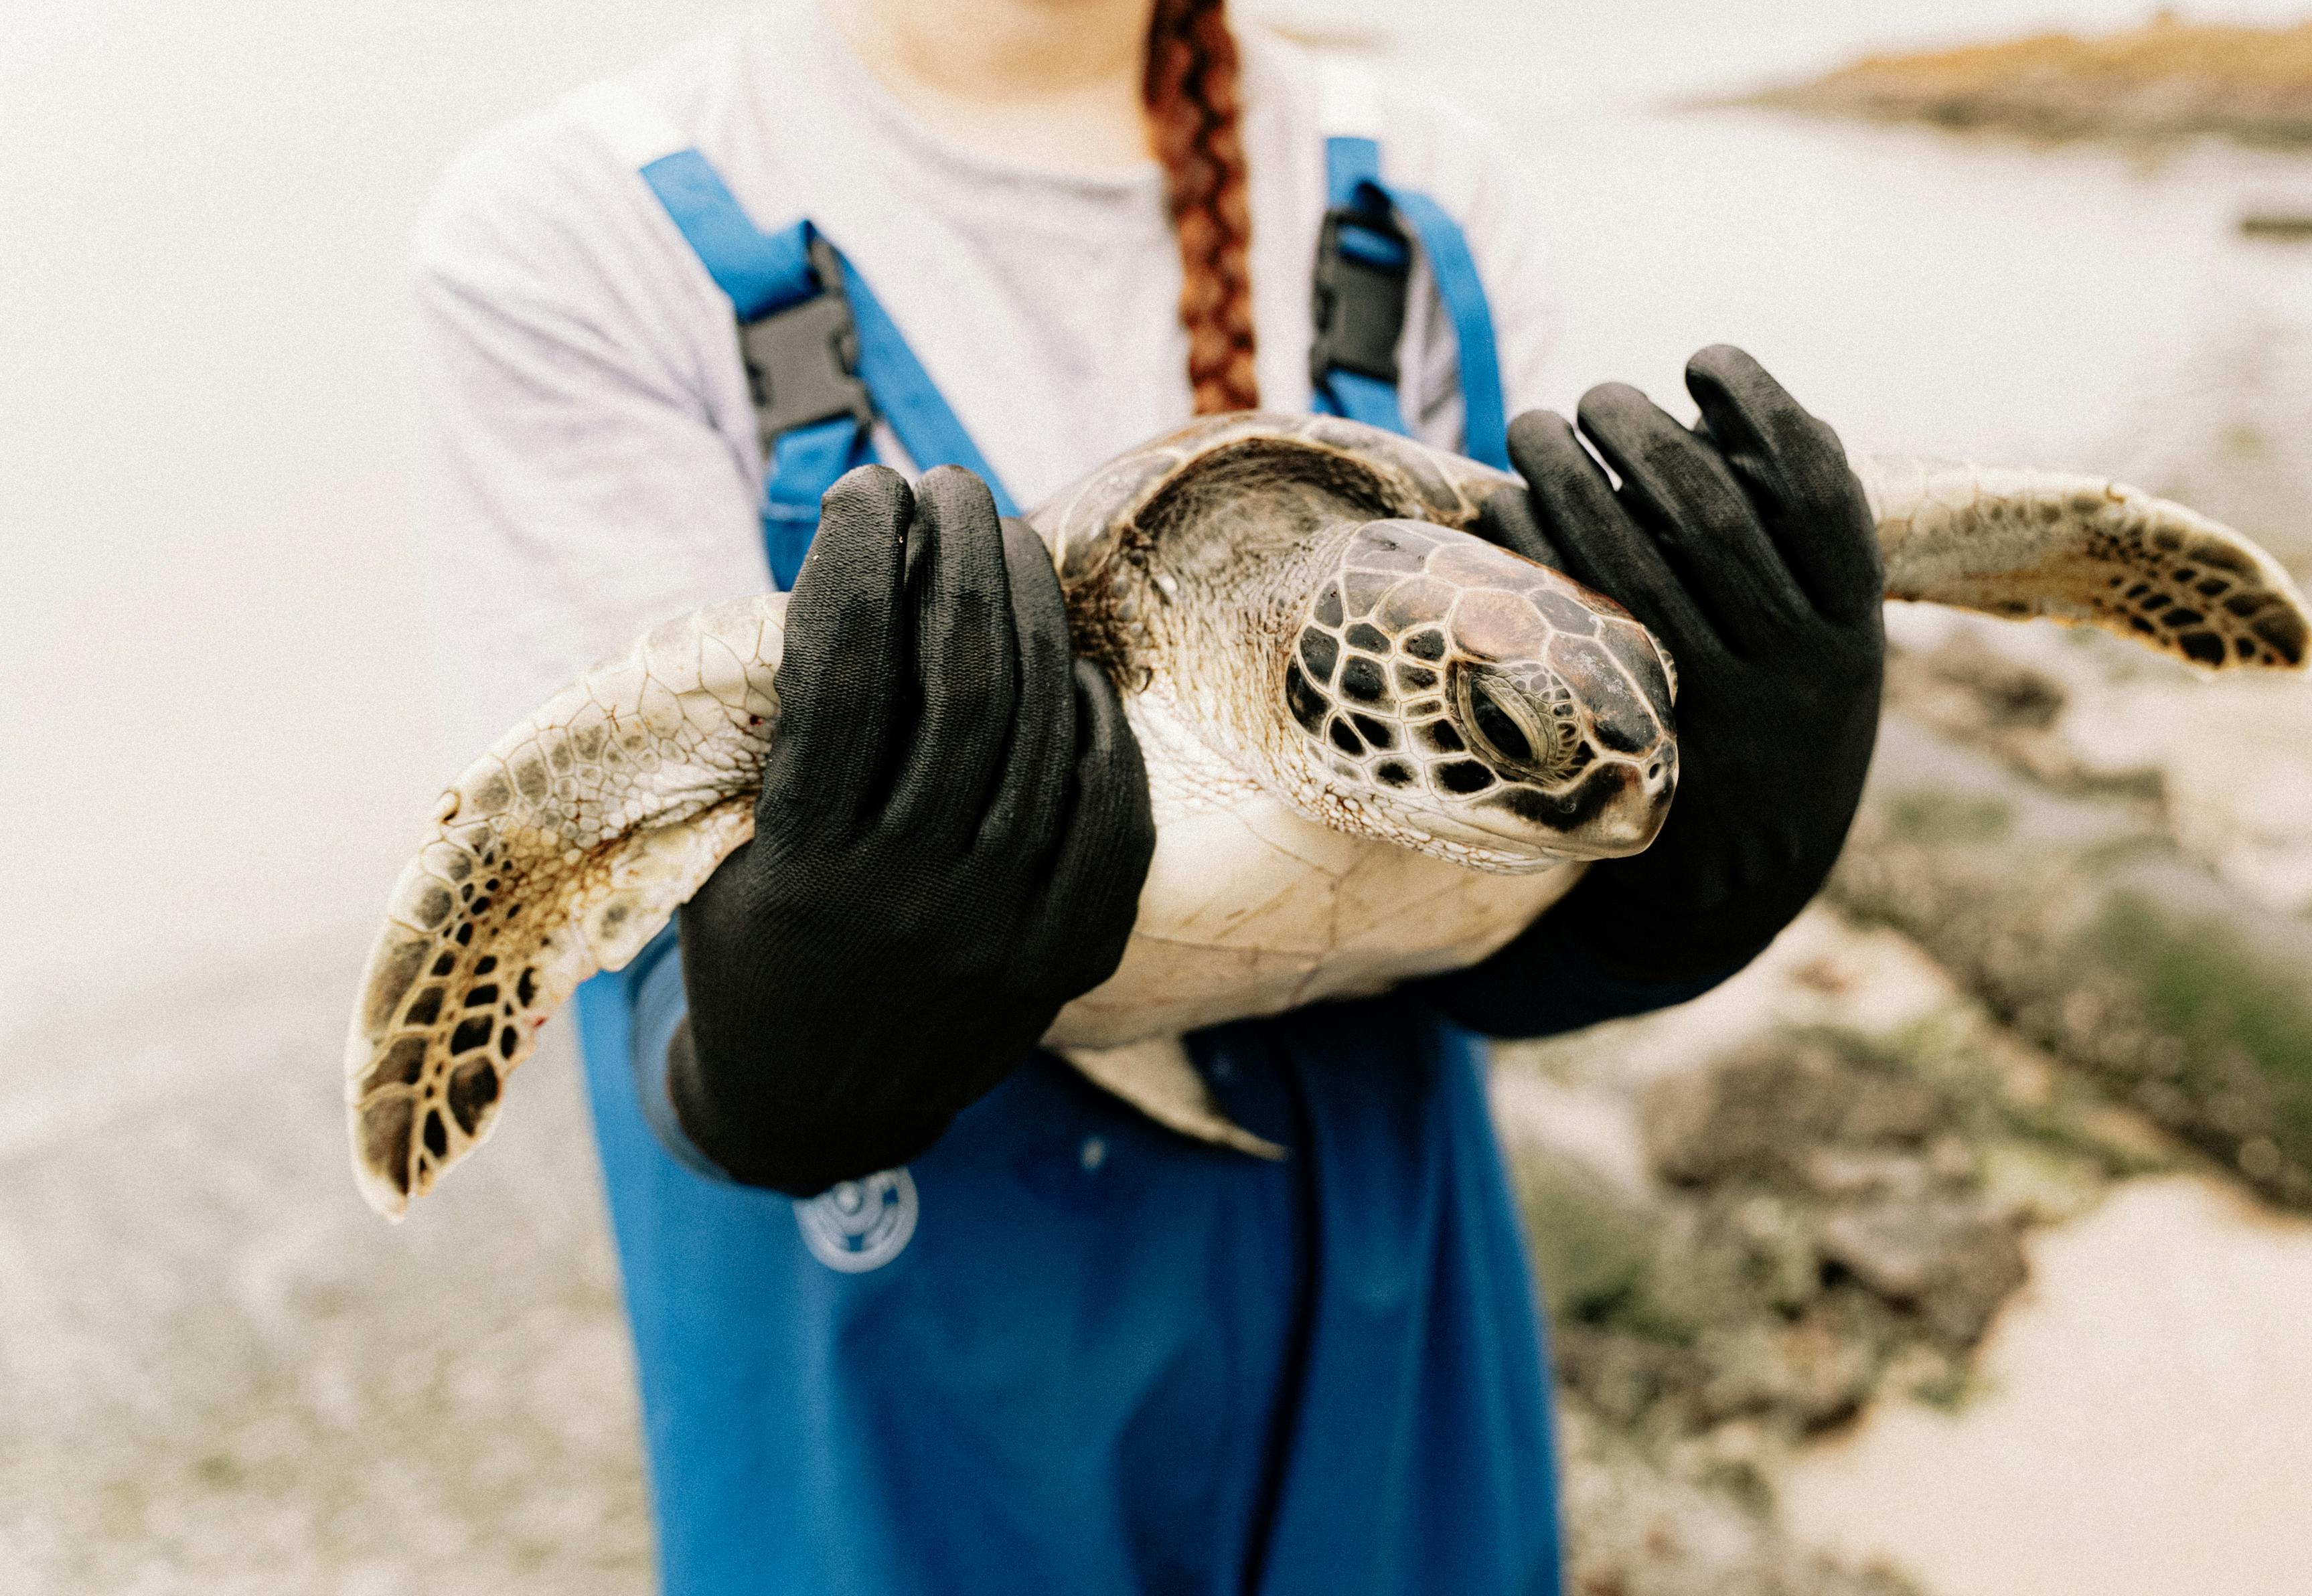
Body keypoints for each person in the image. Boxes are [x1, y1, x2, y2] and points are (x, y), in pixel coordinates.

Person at [409, 0, 1883, 1589]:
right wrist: (751, 1048)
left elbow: (1513, 834)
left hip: (1378, 1339)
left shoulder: (1416, 186)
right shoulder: (587, 234)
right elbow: (576, 857)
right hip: (899, 1390)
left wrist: (1694, 872)